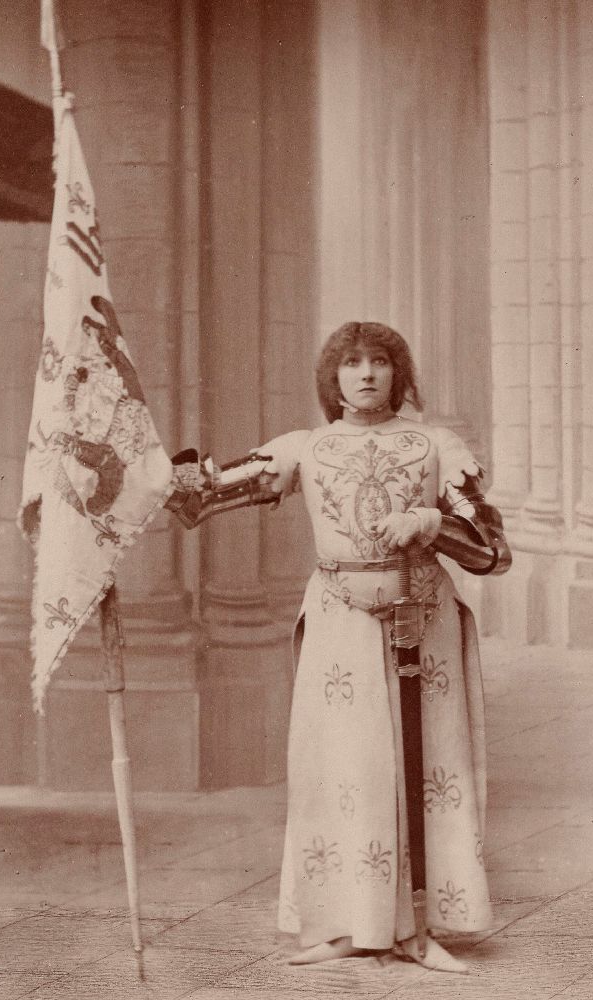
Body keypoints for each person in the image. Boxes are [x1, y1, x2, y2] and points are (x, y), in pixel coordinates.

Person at [168, 321, 511, 973]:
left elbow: (494, 550)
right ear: (333, 377)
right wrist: (120, 474)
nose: (366, 374)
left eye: (380, 361)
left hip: (422, 625)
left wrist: (435, 522)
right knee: (347, 771)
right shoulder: (308, 447)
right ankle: (349, 922)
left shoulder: (436, 444)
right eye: (351, 363)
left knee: (423, 767)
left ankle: (419, 930)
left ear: (398, 373)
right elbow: (198, 498)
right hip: (340, 623)